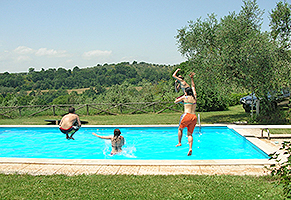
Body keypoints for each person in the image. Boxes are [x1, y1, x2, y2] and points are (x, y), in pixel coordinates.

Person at [174, 72, 197, 156]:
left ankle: (179, 142)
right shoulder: (195, 97)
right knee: (190, 134)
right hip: (194, 117)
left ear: (186, 92)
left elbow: (175, 101)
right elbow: (193, 87)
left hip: (186, 115)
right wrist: (191, 78)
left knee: (180, 129)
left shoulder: (185, 97)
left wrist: (181, 101)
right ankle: (190, 148)